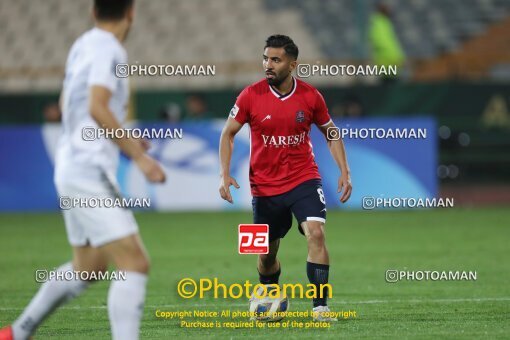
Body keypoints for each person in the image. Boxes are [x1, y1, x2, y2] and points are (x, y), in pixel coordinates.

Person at [0, 1, 165, 339]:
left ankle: (17, 332)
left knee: (87, 268)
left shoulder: (83, 44)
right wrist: (138, 157)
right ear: (131, 12)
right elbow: (96, 105)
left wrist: (123, 137)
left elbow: (69, 104)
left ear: (94, 11)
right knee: (134, 263)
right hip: (88, 170)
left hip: (70, 164)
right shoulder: (110, 50)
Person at [218, 35, 352, 321]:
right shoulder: (249, 95)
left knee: (316, 232)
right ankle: (268, 293)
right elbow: (228, 133)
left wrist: (345, 171)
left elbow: (331, 132)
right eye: (266, 58)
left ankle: (320, 306)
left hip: (304, 178)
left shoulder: (311, 96)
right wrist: (225, 174)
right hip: (264, 187)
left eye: (275, 60)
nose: (268, 64)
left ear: (292, 65)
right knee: (266, 254)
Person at [369, 2, 406, 83]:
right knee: (389, 88)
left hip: (391, 65)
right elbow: (383, 44)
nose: (389, 9)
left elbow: (391, 44)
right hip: (387, 65)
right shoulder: (378, 23)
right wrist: (395, 60)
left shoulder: (385, 22)